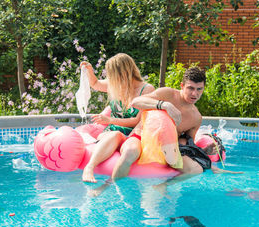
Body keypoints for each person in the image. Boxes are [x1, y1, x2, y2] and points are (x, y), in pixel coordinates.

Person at [120, 67, 242, 196]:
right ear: (182, 86)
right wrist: (165, 105)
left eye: (199, 89)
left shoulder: (196, 117)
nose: (194, 94)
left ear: (203, 89)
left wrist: (205, 151)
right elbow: (136, 102)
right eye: (190, 88)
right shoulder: (168, 95)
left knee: (196, 169)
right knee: (130, 153)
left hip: (166, 149)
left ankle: (162, 186)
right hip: (143, 138)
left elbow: (189, 145)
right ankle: (116, 188)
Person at [79, 53, 155, 184]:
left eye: (111, 74)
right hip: (111, 134)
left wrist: (109, 120)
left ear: (123, 72)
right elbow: (96, 84)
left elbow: (137, 121)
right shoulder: (115, 84)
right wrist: (90, 71)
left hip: (132, 136)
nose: (109, 78)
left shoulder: (146, 89)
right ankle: (89, 167)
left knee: (118, 135)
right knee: (115, 135)